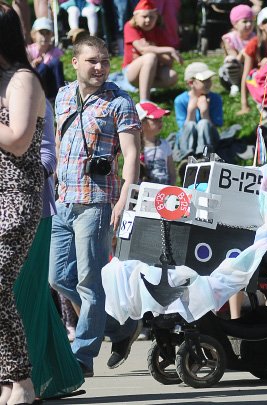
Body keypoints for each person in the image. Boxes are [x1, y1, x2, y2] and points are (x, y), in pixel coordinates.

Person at [48, 35, 142, 379]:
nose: (100, 67)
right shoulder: (62, 96)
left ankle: (83, 357)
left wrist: (124, 198)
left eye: (104, 60)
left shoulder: (120, 102)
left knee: (90, 283)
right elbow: (58, 143)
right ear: (75, 63)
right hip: (62, 200)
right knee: (58, 278)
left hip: (97, 201)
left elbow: (131, 153)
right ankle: (120, 328)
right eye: (92, 61)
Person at [13, 100, 84, 400]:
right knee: (36, 300)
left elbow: (48, 157)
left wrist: (12, 179)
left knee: (21, 298)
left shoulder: (32, 99)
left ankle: (27, 381)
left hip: (31, 213)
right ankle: (57, 376)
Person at [0, 2, 47, 403]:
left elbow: (18, 140)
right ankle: (7, 378)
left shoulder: (22, 80)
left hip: (16, 196)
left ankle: (22, 380)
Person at [123, 0, 182, 102]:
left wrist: (151, 49)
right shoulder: (130, 27)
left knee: (172, 76)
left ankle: (144, 86)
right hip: (131, 71)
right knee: (150, 57)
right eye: (144, 16)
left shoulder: (159, 29)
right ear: (135, 17)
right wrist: (168, 50)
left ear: (157, 17)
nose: (148, 20)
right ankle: (144, 100)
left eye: (152, 17)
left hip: (154, 70)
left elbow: (169, 61)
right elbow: (142, 49)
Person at [173, 62, 223, 162]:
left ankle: (204, 157)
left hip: (209, 141)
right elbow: (183, 129)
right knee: (190, 124)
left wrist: (205, 113)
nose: (209, 83)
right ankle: (187, 157)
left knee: (203, 123)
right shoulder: (180, 100)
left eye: (209, 79)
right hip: (187, 140)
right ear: (191, 83)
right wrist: (191, 112)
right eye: (204, 80)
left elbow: (215, 126)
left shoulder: (216, 98)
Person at [219, 4, 255, 97]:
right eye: (245, 21)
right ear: (235, 24)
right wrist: (244, 52)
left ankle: (251, 84)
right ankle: (235, 85)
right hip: (235, 71)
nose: (249, 24)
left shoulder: (255, 37)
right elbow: (235, 59)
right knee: (230, 60)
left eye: (251, 21)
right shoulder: (229, 38)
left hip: (251, 67)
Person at [136, 101, 176, 185]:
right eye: (155, 119)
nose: (160, 121)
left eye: (161, 118)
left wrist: (172, 187)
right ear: (142, 122)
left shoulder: (164, 144)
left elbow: (172, 172)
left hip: (164, 191)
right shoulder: (136, 147)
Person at [27, 17, 64, 100]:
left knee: (56, 62)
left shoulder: (56, 51)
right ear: (34, 34)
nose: (44, 36)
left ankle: (61, 96)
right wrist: (33, 64)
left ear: (52, 35)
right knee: (42, 67)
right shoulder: (29, 51)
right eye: (41, 33)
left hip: (52, 85)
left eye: (47, 33)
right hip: (35, 83)